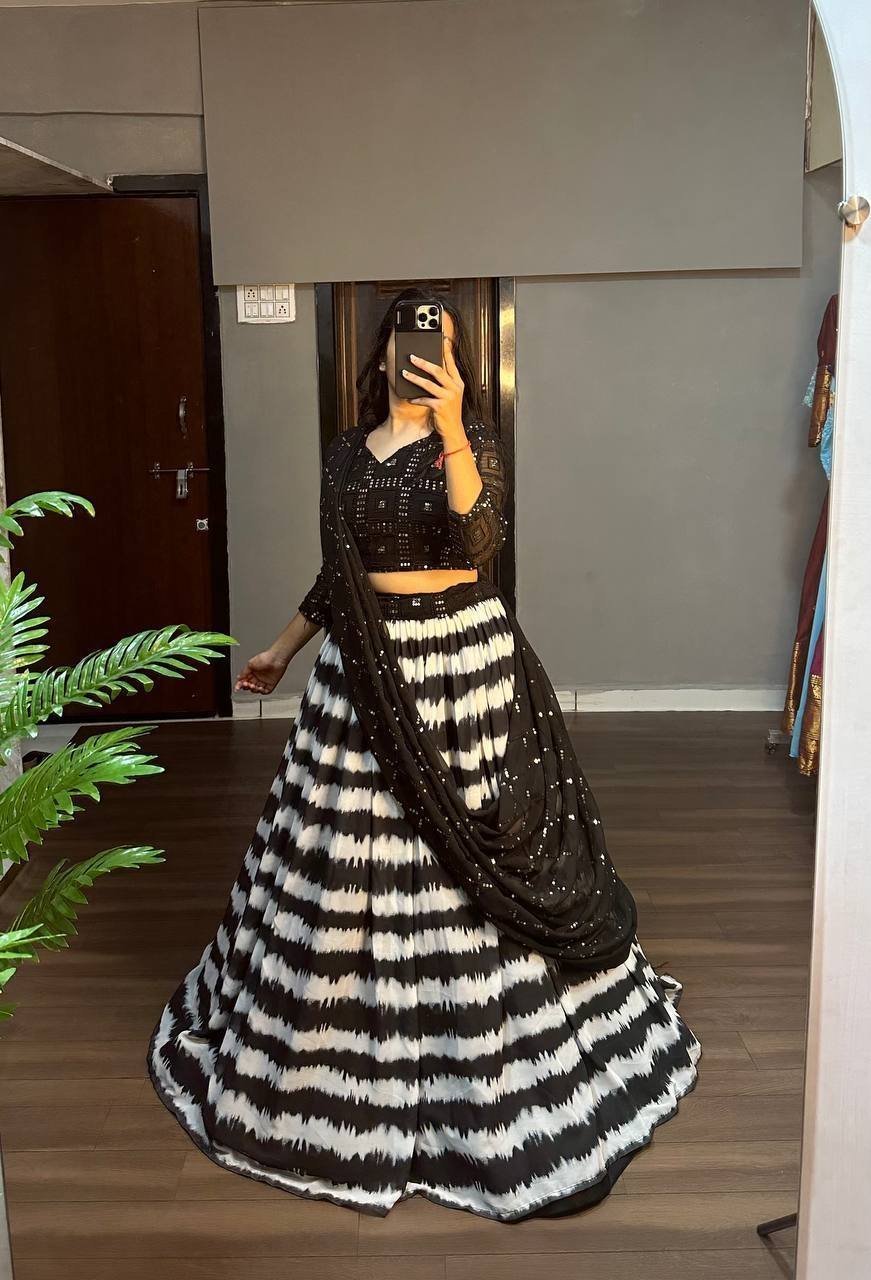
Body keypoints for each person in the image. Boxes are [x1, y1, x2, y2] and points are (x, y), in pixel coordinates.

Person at [147, 287, 701, 1222]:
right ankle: (336, 1043)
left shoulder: (470, 442)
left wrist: (449, 428)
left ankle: (486, 1051)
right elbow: (339, 573)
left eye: (437, 345)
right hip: (362, 671)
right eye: (407, 342)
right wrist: (282, 649)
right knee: (340, 856)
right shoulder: (343, 454)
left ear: (455, 361)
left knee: (472, 847)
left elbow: (481, 539)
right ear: (381, 356)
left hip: (458, 667)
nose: (419, 356)